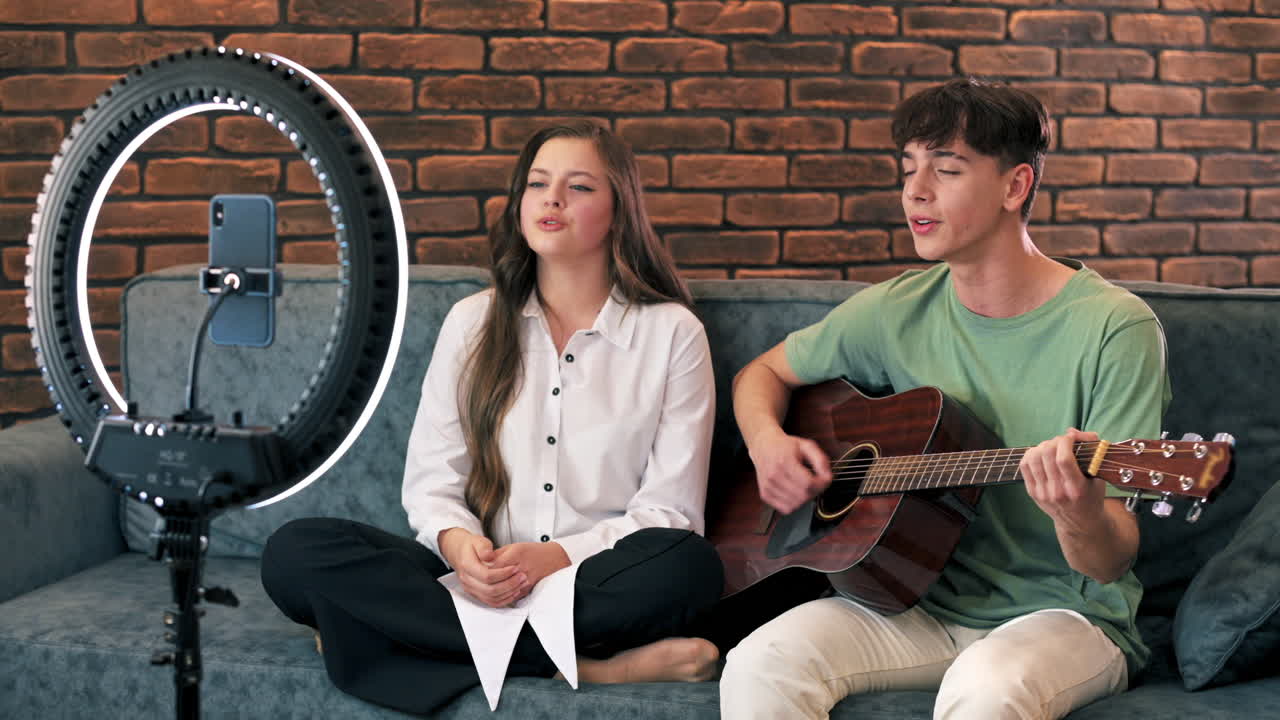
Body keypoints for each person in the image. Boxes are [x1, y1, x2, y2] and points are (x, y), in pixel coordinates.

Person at [719, 77, 1172, 719]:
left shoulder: (1115, 329)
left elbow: (1110, 560)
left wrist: (1077, 514)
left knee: (986, 688)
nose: (915, 191)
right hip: (916, 604)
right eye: (909, 169)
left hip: (1067, 619)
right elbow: (759, 375)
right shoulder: (896, 308)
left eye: (947, 169)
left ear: (1015, 186)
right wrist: (769, 444)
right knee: (760, 663)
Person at [260, 120, 723, 715]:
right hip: (475, 583)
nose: (552, 199)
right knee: (295, 551)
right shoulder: (472, 323)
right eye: (537, 183)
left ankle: (391, 635)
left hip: (595, 583)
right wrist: (461, 549)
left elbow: (671, 512)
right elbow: (432, 483)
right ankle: (589, 668)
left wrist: (556, 558)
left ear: (619, 210)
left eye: (579, 187)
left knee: (688, 567)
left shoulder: (672, 333)